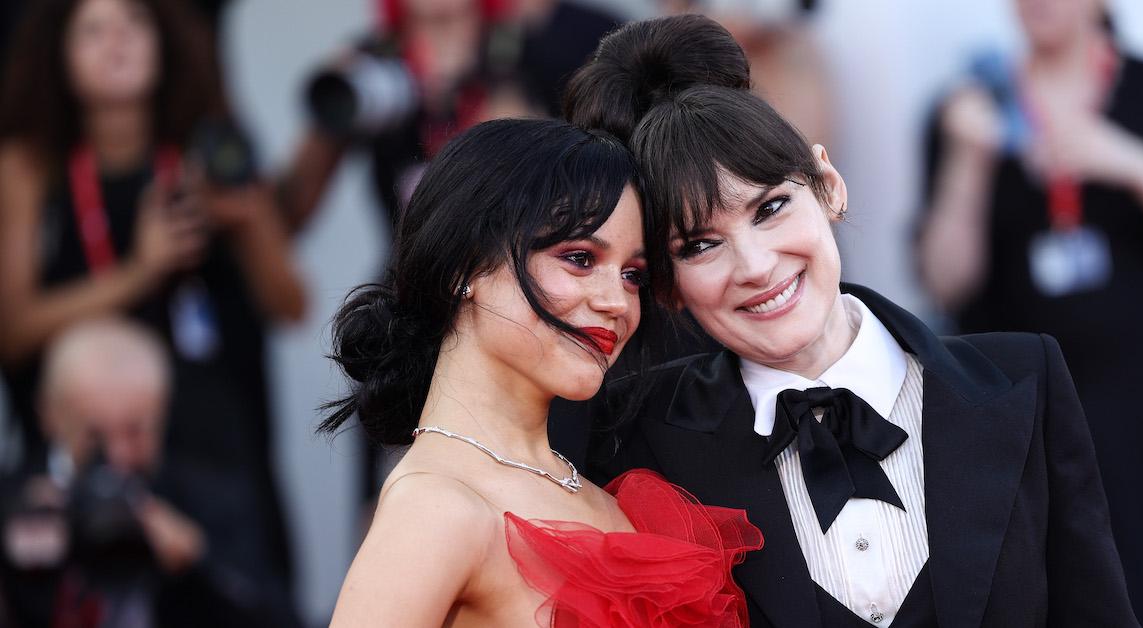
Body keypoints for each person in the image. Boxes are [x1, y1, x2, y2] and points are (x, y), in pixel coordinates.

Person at [556, 14, 1138, 627]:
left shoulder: (1025, 379)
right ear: (667, 287)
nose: (755, 266)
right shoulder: (631, 439)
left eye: (770, 208)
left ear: (828, 186)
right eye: (700, 245)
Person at [321, 117, 763, 627]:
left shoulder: (611, 495)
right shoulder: (436, 507)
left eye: (632, 275)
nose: (615, 301)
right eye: (579, 258)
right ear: (464, 267)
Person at [0, 0, 305, 612]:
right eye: (93, 29)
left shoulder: (214, 149)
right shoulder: (28, 167)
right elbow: (11, 330)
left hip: (214, 454)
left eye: (133, 23)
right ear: (57, 53)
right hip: (84, 448)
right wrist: (140, 270)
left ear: (165, 42)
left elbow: (292, 303)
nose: (118, 41)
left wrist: (246, 220)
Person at [916, 2, 1143, 625]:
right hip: (1034, 405)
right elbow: (944, 279)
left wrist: (1126, 160)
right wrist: (970, 160)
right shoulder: (971, 107)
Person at [0, 318, 298, 627]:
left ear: (163, 415)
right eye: (93, 435)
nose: (117, 456)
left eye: (135, 432)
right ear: (49, 415)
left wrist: (196, 562)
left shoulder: (212, 500)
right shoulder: (13, 503)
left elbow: (278, 615)